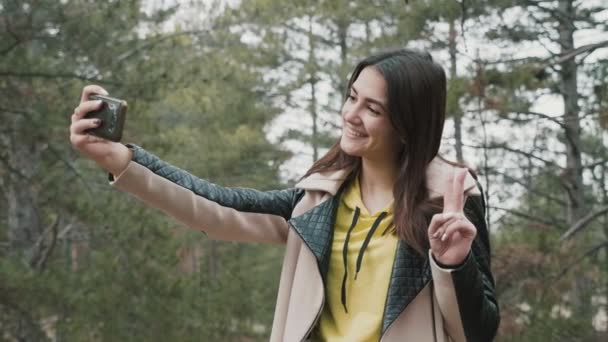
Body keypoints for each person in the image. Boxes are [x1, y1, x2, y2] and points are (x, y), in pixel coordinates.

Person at [70, 48, 499, 341]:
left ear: (408, 123)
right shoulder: (316, 200)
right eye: (352, 98)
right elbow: (216, 208)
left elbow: (477, 332)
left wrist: (451, 263)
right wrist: (121, 158)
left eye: (373, 108)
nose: (351, 115)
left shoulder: (449, 204)